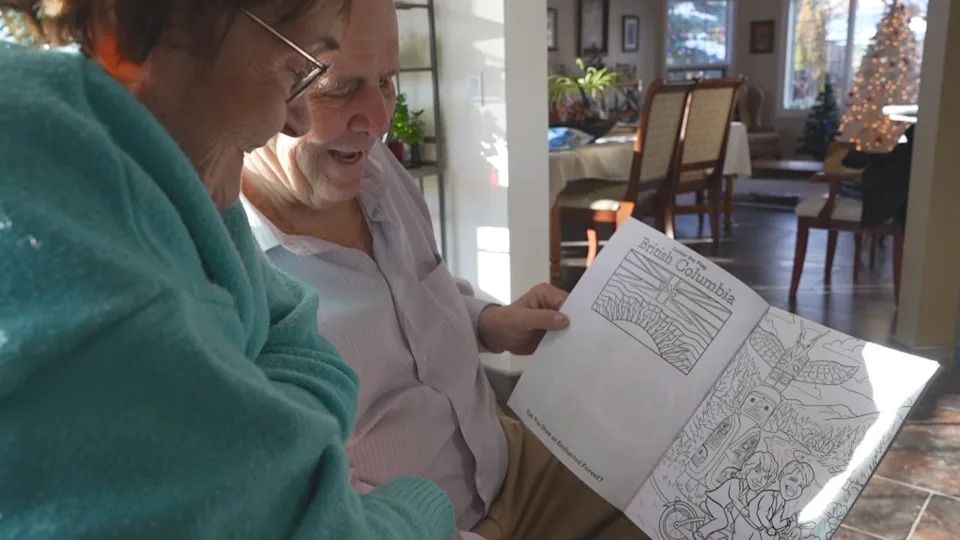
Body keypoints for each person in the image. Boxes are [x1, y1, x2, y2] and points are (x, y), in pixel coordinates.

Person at [0, 1, 456, 538]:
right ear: (120, 31)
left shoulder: (143, 169)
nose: (296, 117)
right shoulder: (112, 302)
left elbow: (296, 337)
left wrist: (257, 436)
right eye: (299, 69)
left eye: (386, 82)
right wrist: (428, 501)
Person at [240, 0, 647, 537]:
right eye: (338, 88)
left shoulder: (376, 170)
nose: (379, 122)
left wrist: (488, 320)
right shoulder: (228, 273)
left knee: (677, 494)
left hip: (511, 462)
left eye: (386, 81)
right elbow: (298, 503)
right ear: (258, 84)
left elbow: (419, 291)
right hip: (421, 529)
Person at [695, 451, 778, 540]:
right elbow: (735, 499)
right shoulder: (735, 482)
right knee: (723, 521)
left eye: (765, 477)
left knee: (732, 523)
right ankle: (700, 533)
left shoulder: (748, 491)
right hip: (714, 502)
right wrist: (745, 511)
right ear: (748, 468)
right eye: (757, 471)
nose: (759, 480)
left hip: (724, 508)